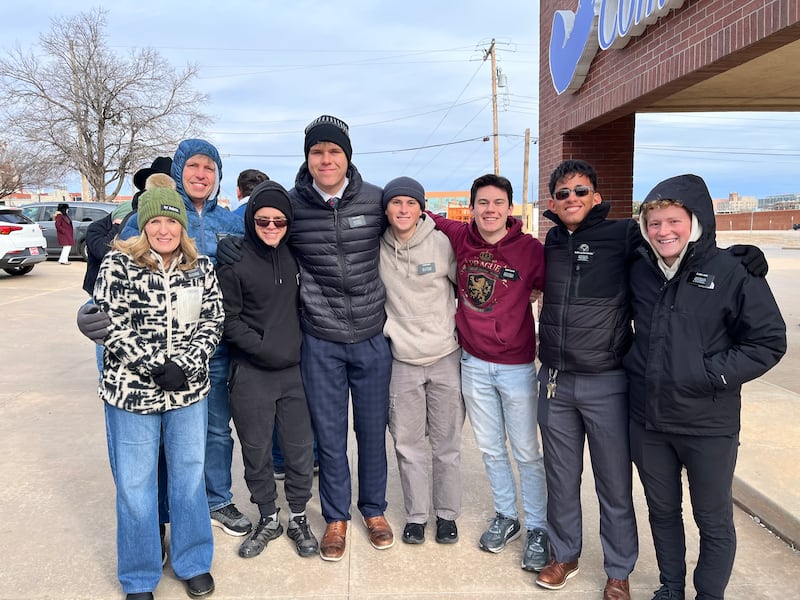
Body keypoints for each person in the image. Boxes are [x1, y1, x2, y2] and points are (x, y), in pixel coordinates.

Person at [218, 114, 394, 561]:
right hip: (320, 339)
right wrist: (228, 241)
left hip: (371, 335)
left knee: (371, 432)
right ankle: (335, 517)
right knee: (330, 437)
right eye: (317, 151)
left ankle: (373, 510)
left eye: (334, 151)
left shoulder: (375, 200)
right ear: (307, 157)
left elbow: (418, 222)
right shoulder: (293, 205)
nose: (326, 159)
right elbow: (259, 225)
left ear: (348, 157)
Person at [625, 174, 786, 600]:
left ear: (695, 221)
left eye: (673, 221)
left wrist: (709, 373)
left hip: (708, 424)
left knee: (712, 520)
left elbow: (768, 341)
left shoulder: (733, 271)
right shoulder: (640, 268)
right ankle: (671, 587)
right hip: (649, 421)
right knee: (662, 511)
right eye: (654, 223)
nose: (663, 231)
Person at [78, 139, 250, 539]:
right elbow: (120, 269)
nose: (201, 175)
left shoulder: (231, 222)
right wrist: (89, 313)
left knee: (213, 431)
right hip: (148, 355)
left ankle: (216, 500)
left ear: (218, 176)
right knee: (148, 444)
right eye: (193, 166)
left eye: (210, 168)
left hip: (210, 347)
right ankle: (153, 518)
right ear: (178, 171)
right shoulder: (154, 213)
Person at [93, 185, 224, 600]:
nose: (164, 230)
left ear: (182, 226)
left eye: (171, 221)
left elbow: (213, 320)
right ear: (143, 225)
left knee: (188, 478)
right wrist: (152, 364)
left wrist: (185, 364)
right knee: (135, 485)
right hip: (132, 394)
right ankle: (138, 575)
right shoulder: (118, 264)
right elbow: (109, 323)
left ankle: (193, 560)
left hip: (187, 392)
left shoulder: (200, 267)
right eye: (155, 222)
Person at [428, 173, 549, 571]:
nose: (490, 210)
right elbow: (422, 213)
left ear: (510, 208)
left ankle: (538, 527)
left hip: (516, 367)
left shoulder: (530, 250)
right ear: (472, 207)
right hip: (474, 365)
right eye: (483, 203)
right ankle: (506, 516)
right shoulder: (461, 237)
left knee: (526, 452)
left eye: (498, 203)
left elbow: (556, 289)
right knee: (492, 449)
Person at [534, 159, 639, 599]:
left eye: (580, 191)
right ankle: (565, 555)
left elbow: (672, 246)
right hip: (556, 381)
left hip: (606, 381)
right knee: (560, 479)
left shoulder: (624, 235)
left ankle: (619, 570)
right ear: (553, 202)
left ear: (596, 197)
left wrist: (732, 258)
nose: (572, 199)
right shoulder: (553, 240)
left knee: (613, 484)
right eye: (563, 193)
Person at [216, 180, 319, 560]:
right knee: (256, 451)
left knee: (299, 451)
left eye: (279, 221)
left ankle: (297, 517)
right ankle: (268, 517)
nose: (272, 227)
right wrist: (263, 348)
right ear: (251, 220)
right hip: (251, 372)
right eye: (263, 221)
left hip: (295, 373)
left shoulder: (297, 256)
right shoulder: (234, 261)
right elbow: (228, 319)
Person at [379, 176, 464, 545]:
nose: (403, 209)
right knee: (407, 443)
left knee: (447, 444)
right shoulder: (376, 248)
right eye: (396, 203)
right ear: (386, 209)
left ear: (421, 208)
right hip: (402, 360)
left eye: (410, 203)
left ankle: (446, 515)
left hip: (445, 355)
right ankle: (416, 516)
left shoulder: (441, 243)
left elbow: (468, 287)